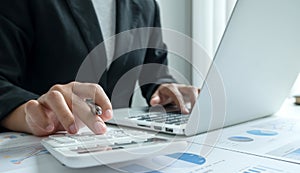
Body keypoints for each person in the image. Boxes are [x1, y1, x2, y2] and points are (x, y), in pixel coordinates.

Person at [0, 0, 199, 136]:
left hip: (118, 150)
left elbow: (154, 69)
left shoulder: (146, 4)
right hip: (41, 152)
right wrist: (32, 114)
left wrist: (163, 88)